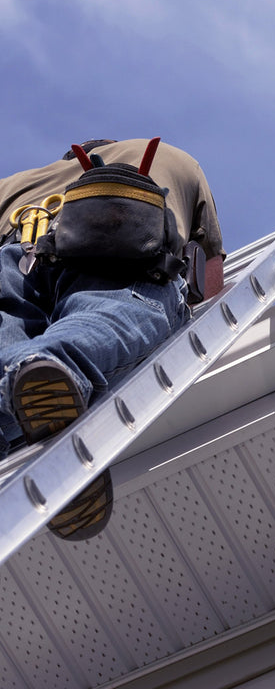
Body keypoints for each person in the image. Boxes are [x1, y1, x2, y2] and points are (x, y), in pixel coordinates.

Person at [0, 138, 224, 540]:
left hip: (13, 256)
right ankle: (55, 365)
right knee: (113, 311)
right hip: (118, 236)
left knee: (7, 359)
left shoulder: (13, 183)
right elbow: (211, 276)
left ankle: (29, 387)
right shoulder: (174, 159)